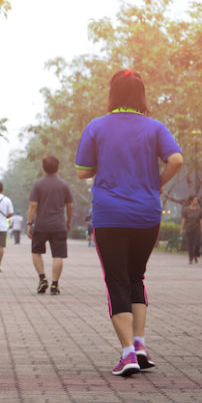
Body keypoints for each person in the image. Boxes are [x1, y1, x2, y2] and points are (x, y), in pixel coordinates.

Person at [76, 69, 182, 377]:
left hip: (110, 216)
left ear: (112, 95)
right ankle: (140, 345)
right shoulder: (155, 127)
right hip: (146, 214)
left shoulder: (97, 127)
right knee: (136, 277)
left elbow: (83, 171)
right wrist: (156, 183)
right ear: (142, 95)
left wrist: (106, 162)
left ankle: (127, 355)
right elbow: (176, 159)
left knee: (116, 280)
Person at [27, 155, 73, 295]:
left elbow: (33, 205)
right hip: (59, 225)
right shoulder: (64, 185)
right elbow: (70, 206)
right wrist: (68, 222)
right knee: (58, 255)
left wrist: (29, 223)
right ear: (58, 167)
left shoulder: (38, 185)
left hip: (41, 225)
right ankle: (55, 285)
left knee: (36, 252)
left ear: (43, 168)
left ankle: (42, 279)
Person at [180, 195, 202, 264]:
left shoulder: (199, 210)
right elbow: (183, 220)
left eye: (197, 200)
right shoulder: (186, 210)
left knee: (197, 243)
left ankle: (196, 254)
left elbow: (201, 220)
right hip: (189, 229)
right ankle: (190, 258)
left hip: (197, 229)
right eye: (195, 200)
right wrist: (181, 229)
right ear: (191, 201)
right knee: (190, 245)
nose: (196, 201)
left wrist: (201, 228)